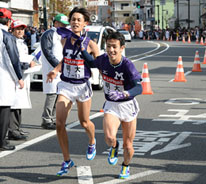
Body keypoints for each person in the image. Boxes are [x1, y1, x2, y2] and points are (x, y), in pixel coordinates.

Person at [80, 31, 142, 179]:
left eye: (114, 47)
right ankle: (114, 147)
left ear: (122, 48)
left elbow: (139, 87)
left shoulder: (127, 65)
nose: (111, 50)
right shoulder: (103, 60)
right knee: (109, 137)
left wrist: (125, 93)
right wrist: (82, 49)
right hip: (111, 105)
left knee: (128, 145)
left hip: (127, 105)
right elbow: (91, 62)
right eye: (108, 46)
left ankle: (126, 166)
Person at [47, 7, 99, 176]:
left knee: (84, 122)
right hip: (66, 85)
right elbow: (66, 59)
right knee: (59, 124)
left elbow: (97, 64)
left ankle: (92, 141)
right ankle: (67, 160)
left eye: (79, 20)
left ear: (85, 23)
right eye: (73, 19)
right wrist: (56, 70)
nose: (75, 22)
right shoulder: (65, 40)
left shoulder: (91, 44)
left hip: (82, 86)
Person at [0, 8, 24, 151]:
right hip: (4, 76)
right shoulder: (6, 36)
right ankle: (1, 142)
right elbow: (12, 59)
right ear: (9, 21)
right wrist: (19, 78)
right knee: (3, 109)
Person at [8, 20, 36, 140]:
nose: (20, 31)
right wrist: (27, 65)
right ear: (12, 30)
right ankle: (12, 130)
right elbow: (14, 61)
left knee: (19, 104)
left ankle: (17, 128)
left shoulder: (22, 43)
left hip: (23, 76)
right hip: (14, 77)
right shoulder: (11, 42)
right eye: (17, 29)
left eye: (22, 29)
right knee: (13, 104)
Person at [40, 13, 69, 130]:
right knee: (51, 95)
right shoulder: (48, 34)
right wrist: (57, 66)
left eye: (65, 25)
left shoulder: (62, 35)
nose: (64, 26)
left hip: (60, 70)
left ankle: (54, 119)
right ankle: (46, 119)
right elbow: (47, 52)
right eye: (61, 24)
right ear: (55, 23)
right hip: (51, 69)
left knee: (58, 95)